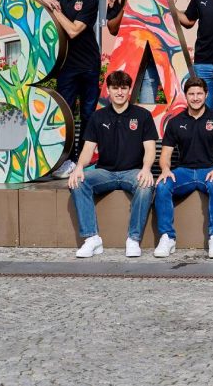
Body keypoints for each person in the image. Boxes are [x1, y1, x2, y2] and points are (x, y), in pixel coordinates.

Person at [6, 0, 100, 179]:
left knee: (87, 115)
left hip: (88, 64)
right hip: (64, 66)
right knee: (64, 114)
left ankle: (82, 161)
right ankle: (64, 161)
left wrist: (54, 10)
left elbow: (74, 31)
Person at [66, 71, 157, 258]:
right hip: (105, 172)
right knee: (79, 181)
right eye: (115, 88)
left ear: (130, 90)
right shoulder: (98, 117)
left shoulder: (143, 116)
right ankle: (92, 239)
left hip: (133, 172)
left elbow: (150, 148)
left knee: (146, 186)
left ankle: (133, 239)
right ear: (108, 90)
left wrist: (147, 169)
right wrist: (79, 168)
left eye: (124, 88)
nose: (120, 92)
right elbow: (88, 149)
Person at [153, 77, 213, 259]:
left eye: (199, 94)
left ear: (206, 95)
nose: (195, 98)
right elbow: (164, 156)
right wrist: (165, 170)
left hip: (210, 169)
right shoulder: (175, 122)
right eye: (191, 94)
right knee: (163, 185)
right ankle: (167, 237)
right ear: (185, 96)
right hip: (184, 171)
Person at [106, 0, 168, 104]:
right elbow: (112, 29)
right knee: (122, 105)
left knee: (148, 103)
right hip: (128, 55)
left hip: (150, 56)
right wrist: (126, 7)